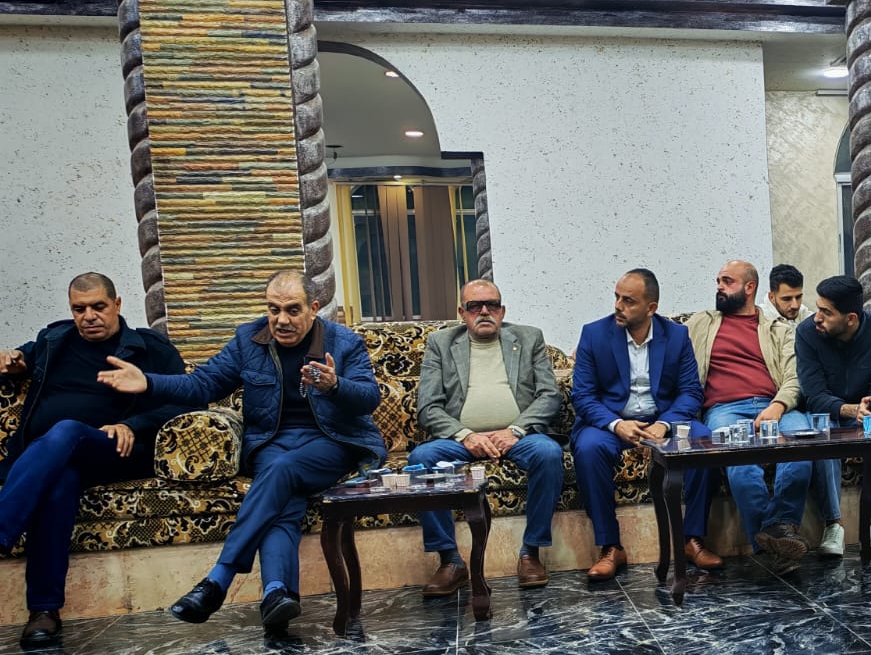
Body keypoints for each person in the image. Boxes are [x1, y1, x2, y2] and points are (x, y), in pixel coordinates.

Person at [97, 270, 386, 632]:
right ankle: (277, 595)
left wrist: (334, 385)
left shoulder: (343, 342)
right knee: (283, 500)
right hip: (272, 442)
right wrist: (148, 382)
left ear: (314, 308)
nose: (281, 320)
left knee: (280, 471)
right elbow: (203, 384)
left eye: (293, 310)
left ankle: (218, 578)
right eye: (273, 309)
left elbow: (369, 398)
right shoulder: (248, 340)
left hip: (332, 441)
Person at [0, 273, 186, 647]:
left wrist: (133, 424)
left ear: (117, 304)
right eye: (79, 309)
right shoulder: (52, 340)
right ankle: (43, 612)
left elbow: (187, 399)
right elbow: (20, 361)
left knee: (68, 429)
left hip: (114, 451)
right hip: (53, 459)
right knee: (59, 484)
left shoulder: (150, 349)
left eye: (98, 306)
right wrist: (13, 363)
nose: (89, 316)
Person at [410, 279, 564, 594]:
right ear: (461, 312)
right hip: (461, 439)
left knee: (548, 453)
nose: (484, 311)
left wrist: (515, 430)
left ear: (501, 310)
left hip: (519, 436)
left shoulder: (529, 338)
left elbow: (550, 396)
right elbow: (428, 407)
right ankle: (450, 561)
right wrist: (465, 435)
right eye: (474, 306)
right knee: (421, 459)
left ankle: (531, 553)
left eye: (491, 305)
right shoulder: (440, 343)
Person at [571, 268, 722, 582]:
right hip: (611, 423)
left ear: (651, 307)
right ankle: (611, 547)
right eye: (617, 297)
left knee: (703, 440)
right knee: (588, 448)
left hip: (662, 420)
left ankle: (692, 539)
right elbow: (583, 396)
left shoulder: (676, 336)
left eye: (628, 301)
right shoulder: (594, 334)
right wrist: (616, 424)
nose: (618, 306)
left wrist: (664, 424)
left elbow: (691, 392)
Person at [687, 260, 811, 563]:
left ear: (749, 287)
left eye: (727, 281)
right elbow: (659, 336)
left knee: (803, 448)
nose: (719, 286)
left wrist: (777, 406)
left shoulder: (778, 330)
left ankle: (774, 533)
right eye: (718, 280)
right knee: (740, 463)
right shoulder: (701, 323)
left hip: (776, 405)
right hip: (725, 410)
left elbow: (795, 377)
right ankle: (775, 544)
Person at [794, 274, 871, 553]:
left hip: (864, 411)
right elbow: (814, 395)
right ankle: (833, 524)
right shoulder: (807, 333)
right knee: (822, 428)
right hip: (828, 410)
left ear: (851, 318)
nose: (817, 318)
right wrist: (848, 408)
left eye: (826, 313)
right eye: (818, 308)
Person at [768, 263, 845, 556]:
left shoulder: (812, 319)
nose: (794, 304)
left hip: (813, 398)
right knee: (808, 434)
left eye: (799, 297)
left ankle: (828, 526)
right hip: (780, 400)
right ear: (771, 297)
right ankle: (778, 530)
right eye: (787, 298)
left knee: (820, 431)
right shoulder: (761, 322)